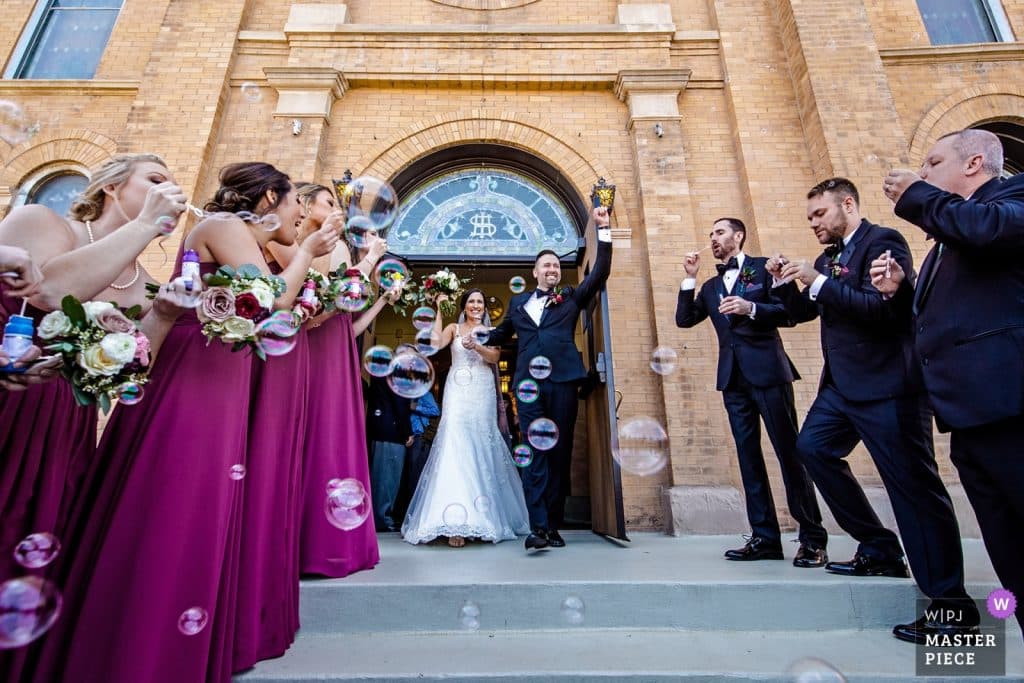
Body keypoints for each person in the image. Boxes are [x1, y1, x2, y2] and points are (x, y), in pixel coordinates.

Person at [32, 161, 335, 683]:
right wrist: (306, 252)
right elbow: (273, 301)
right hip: (193, 376)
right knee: (178, 496)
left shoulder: (250, 240)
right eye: (295, 204)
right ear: (267, 199)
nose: (301, 215)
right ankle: (140, 646)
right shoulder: (222, 227)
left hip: (225, 375)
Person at [772, 177, 978, 645]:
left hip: (889, 386)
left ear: (848, 204)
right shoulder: (827, 259)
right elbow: (802, 312)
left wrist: (818, 280)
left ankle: (952, 607)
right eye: (809, 218)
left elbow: (884, 310)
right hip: (842, 388)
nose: (814, 224)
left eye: (819, 214)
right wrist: (786, 281)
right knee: (813, 448)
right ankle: (881, 547)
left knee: (914, 491)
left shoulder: (883, 241)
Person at [0, 154, 189, 601]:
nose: (171, 191)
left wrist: (162, 314)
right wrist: (145, 224)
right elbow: (47, 290)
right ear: (111, 187)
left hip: (59, 423)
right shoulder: (42, 221)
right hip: (7, 393)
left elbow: (134, 371)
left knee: (23, 542)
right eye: (156, 179)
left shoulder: (143, 283)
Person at [872, 128, 1024, 632]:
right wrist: (903, 292)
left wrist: (917, 193)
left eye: (934, 163)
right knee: (1009, 551)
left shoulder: (1010, 199)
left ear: (975, 162)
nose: (926, 173)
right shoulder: (943, 243)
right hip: (969, 415)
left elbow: (989, 230)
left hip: (1011, 407)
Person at [675, 217, 827, 566]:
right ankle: (765, 538)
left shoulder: (763, 269)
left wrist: (751, 308)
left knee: (790, 454)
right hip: (733, 380)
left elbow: (790, 313)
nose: (713, 239)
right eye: (710, 234)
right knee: (748, 459)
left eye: (720, 232)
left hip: (769, 373)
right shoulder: (711, 287)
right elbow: (685, 320)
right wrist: (689, 278)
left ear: (738, 235)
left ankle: (812, 539)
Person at [270, 182, 395, 578]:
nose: (338, 209)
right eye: (329, 201)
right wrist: (369, 261)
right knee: (315, 439)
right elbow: (317, 310)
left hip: (337, 353)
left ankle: (333, 542)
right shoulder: (287, 243)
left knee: (335, 440)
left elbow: (345, 324)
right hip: (308, 353)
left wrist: (379, 299)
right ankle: (306, 545)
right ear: (304, 205)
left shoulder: (336, 248)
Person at [485, 205, 612, 551]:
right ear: (536, 271)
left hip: (563, 381)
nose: (553, 269)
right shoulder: (518, 302)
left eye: (557, 265)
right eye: (547, 265)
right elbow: (501, 334)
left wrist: (603, 231)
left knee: (559, 452)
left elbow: (599, 273)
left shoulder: (570, 298)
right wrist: (475, 338)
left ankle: (553, 524)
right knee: (535, 452)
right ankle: (538, 528)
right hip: (528, 385)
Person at [402, 289, 529, 547]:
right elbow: (434, 344)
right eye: (471, 301)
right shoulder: (454, 328)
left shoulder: (491, 331)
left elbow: (494, 357)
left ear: (484, 307)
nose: (476, 305)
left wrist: (478, 346)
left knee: (481, 445)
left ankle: (482, 518)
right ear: (464, 306)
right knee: (454, 444)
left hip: (481, 391)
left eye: (480, 302)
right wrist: (438, 309)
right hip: (457, 392)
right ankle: (455, 521)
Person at [367, 370, 414, 533]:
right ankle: (383, 520)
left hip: (379, 430)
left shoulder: (382, 373)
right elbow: (400, 406)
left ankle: (377, 517)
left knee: (379, 476)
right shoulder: (398, 374)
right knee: (388, 478)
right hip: (392, 433)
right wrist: (407, 432)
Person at [395, 388, 440, 524]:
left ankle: (415, 516)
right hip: (408, 439)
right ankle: (405, 515)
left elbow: (435, 411)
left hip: (420, 439)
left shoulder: (424, 394)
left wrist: (416, 407)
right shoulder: (404, 394)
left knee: (416, 478)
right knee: (407, 478)